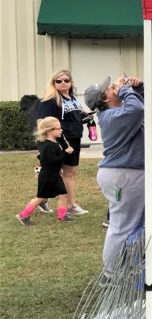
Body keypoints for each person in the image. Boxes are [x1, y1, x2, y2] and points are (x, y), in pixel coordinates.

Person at [84, 76, 152, 278]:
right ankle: (111, 274)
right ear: (105, 99)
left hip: (128, 173)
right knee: (121, 226)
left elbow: (139, 107)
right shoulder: (111, 117)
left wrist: (138, 88)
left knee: (137, 224)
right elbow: (137, 109)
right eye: (108, 89)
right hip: (124, 176)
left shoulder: (118, 113)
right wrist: (125, 89)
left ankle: (133, 266)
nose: (112, 88)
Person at [36, 69, 91, 216]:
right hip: (62, 140)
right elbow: (44, 123)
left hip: (75, 138)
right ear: (53, 83)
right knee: (67, 173)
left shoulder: (71, 97)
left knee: (63, 172)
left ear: (71, 82)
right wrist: (60, 142)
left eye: (66, 80)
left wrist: (83, 119)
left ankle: (42, 199)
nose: (63, 83)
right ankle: (70, 204)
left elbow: (72, 117)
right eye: (58, 81)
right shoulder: (51, 100)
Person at [16, 118, 73, 225]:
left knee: (63, 194)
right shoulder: (48, 145)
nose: (61, 130)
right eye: (59, 128)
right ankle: (23, 215)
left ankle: (62, 216)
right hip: (48, 177)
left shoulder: (53, 143)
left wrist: (58, 168)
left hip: (54, 175)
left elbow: (47, 160)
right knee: (40, 198)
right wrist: (66, 152)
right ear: (49, 131)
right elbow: (52, 161)